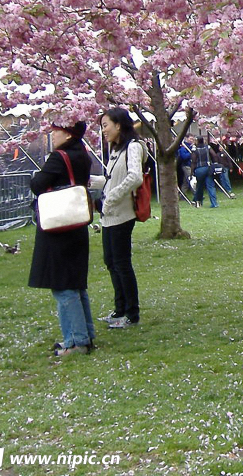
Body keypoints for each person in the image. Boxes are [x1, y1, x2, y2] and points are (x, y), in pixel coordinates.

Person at [29, 120, 95, 357]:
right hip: (76, 223)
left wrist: (39, 174)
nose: (52, 134)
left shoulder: (59, 157)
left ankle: (76, 341)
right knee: (76, 283)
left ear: (67, 134)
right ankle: (85, 334)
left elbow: (37, 184)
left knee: (63, 285)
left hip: (59, 225)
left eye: (56, 130)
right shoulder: (84, 156)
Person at [94, 108, 144, 329]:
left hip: (122, 215)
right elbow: (111, 178)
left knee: (122, 264)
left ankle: (131, 313)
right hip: (108, 216)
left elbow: (135, 177)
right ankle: (119, 309)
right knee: (111, 262)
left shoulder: (133, 147)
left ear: (119, 125)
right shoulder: (115, 150)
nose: (103, 130)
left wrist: (113, 197)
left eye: (106, 125)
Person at [191, 137, 218, 208]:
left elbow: (193, 161)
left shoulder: (195, 149)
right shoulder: (207, 147)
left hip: (199, 169)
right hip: (208, 168)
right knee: (210, 186)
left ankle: (198, 202)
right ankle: (214, 203)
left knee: (199, 186)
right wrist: (215, 163)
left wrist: (192, 172)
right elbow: (214, 155)